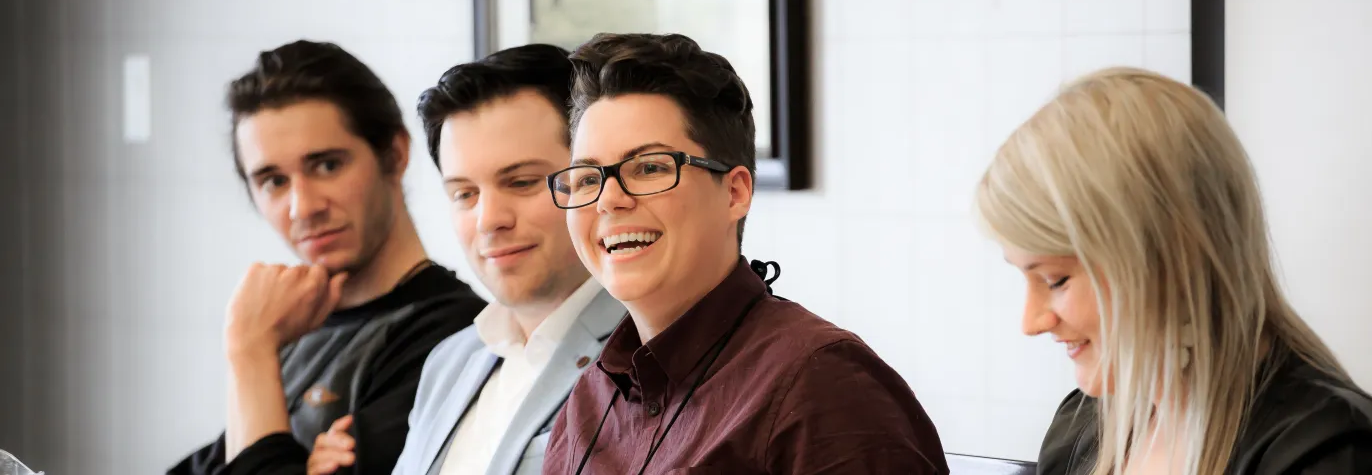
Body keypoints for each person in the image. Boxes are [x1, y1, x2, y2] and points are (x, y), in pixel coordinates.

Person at [974, 68, 1372, 475]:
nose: (1031, 322)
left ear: (1171, 258)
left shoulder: (1331, 452)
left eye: (1055, 280)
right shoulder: (1081, 428)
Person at [540, 33, 948, 474]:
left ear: (735, 192)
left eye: (651, 168)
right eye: (585, 178)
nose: (608, 200)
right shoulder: (588, 400)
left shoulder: (823, 384)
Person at [305, 44, 627, 475]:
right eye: (464, 194)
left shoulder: (648, 351)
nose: (488, 220)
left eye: (521, 182)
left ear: (591, 176)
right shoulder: (449, 363)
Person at [168, 40, 486, 475]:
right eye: (273, 180)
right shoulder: (293, 326)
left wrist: (250, 352)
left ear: (394, 154)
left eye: (326, 166)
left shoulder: (456, 335)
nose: (303, 207)